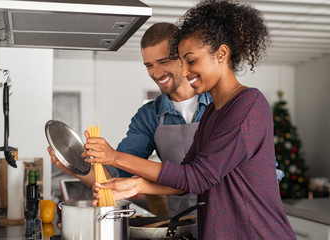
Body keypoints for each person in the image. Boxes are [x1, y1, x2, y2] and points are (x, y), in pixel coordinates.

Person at [86, 0, 296, 239]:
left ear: (222, 54)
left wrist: (114, 156)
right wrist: (137, 185)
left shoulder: (249, 104)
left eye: (192, 60)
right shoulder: (212, 114)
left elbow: (197, 178)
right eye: (183, 63)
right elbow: (186, 175)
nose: (185, 72)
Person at [48, 23, 212, 218]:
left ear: (182, 58)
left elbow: (200, 176)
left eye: (164, 61)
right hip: (182, 222)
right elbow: (113, 176)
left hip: (225, 220)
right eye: (149, 65)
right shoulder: (149, 116)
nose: (157, 73)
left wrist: (116, 159)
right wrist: (72, 166)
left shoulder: (218, 105)